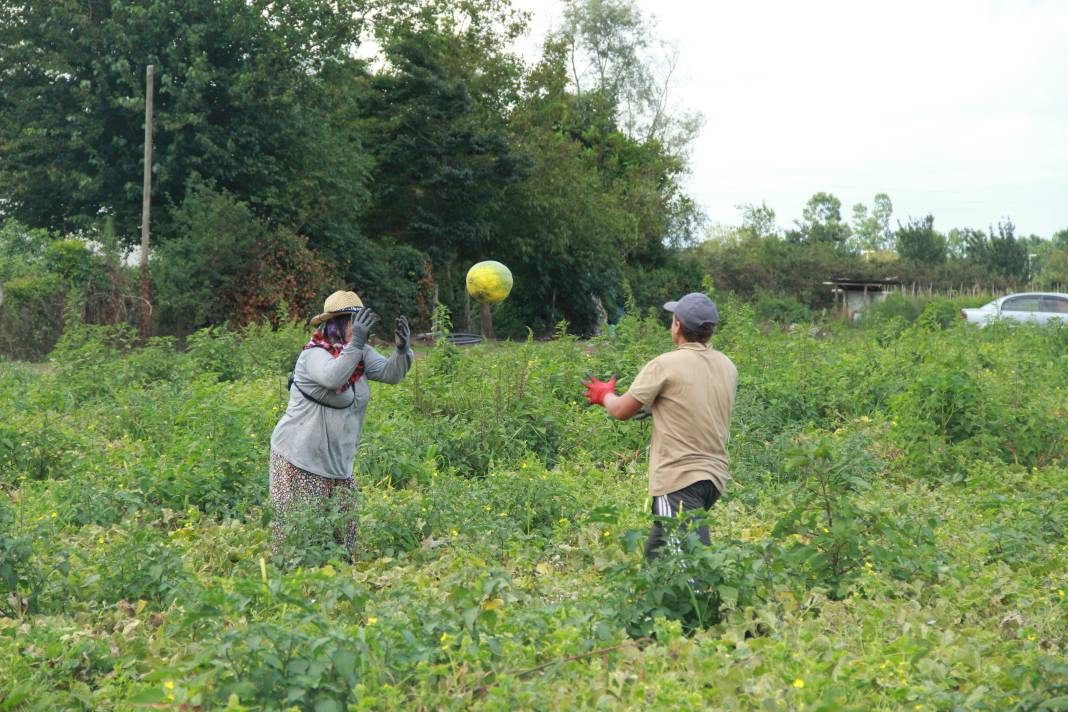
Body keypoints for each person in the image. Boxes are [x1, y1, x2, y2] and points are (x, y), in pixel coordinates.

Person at [582, 292, 737, 561]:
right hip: (713, 478)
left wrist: (603, 394)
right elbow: (696, 403)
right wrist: (657, 406)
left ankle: (706, 601)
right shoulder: (727, 365)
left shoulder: (665, 364)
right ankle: (647, 601)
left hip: (679, 479)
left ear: (677, 325)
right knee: (658, 559)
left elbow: (620, 411)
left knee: (690, 565)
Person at [269, 290, 413, 561]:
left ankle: (338, 594)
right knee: (301, 539)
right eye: (350, 320)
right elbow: (334, 377)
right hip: (301, 460)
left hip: (338, 464)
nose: (357, 327)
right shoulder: (314, 355)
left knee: (343, 538)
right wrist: (356, 343)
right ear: (333, 324)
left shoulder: (358, 353)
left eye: (359, 320)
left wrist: (403, 350)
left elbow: (390, 374)